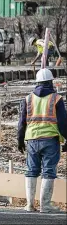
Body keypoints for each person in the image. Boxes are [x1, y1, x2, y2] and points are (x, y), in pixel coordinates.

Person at [17, 68, 67, 213]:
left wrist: (20, 140)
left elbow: (22, 122)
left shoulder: (28, 99)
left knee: (31, 170)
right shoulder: (56, 99)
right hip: (50, 140)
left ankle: (29, 205)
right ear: (51, 82)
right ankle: (45, 205)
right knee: (49, 171)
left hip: (32, 140)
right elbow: (63, 123)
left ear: (37, 82)